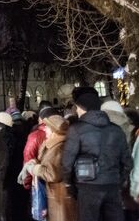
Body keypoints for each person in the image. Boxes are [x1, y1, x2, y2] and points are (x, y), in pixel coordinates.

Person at [62, 87, 132, 221]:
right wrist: (119, 180)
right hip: (112, 185)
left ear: (82, 108)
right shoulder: (116, 130)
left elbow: (67, 162)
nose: (76, 111)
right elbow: (127, 162)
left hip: (87, 187)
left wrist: (69, 184)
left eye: (77, 108)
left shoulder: (76, 129)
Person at [20, 114, 77, 221]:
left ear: (54, 131)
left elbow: (53, 173)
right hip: (54, 196)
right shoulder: (52, 144)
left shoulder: (60, 147)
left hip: (59, 199)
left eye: (47, 127)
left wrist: (34, 168)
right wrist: (33, 162)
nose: (44, 129)